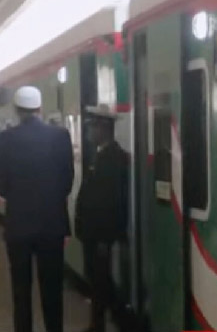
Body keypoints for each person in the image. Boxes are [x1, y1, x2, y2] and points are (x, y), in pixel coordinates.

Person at [0, 86, 74, 332]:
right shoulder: (60, 136)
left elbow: (2, 187)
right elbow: (67, 182)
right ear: (40, 108)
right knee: (52, 289)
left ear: (17, 110)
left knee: (21, 290)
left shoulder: (6, 139)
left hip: (18, 227)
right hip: (52, 226)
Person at [75, 104, 129, 332]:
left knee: (101, 282)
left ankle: (121, 323)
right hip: (93, 233)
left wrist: (104, 239)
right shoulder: (102, 155)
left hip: (100, 235)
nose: (88, 132)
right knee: (99, 281)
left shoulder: (113, 158)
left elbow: (110, 202)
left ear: (103, 128)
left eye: (92, 127)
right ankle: (101, 324)